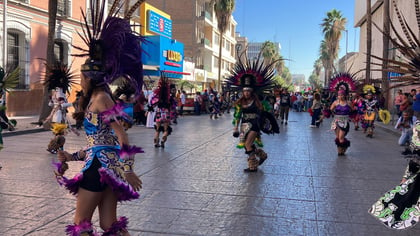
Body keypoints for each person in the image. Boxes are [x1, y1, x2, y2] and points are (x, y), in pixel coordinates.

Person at [54, 1, 145, 234]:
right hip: (106, 167)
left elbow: (121, 133)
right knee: (108, 225)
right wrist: (71, 155)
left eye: (82, 77)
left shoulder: (101, 99)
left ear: (90, 78)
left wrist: (128, 168)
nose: (80, 82)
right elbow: (99, 143)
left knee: (80, 224)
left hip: (99, 168)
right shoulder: (99, 99)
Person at [225, 52, 280, 173]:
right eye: (244, 91)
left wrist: (267, 119)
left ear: (252, 91)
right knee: (246, 145)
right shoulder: (240, 103)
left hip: (255, 125)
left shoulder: (258, 102)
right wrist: (235, 128)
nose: (246, 93)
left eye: (248, 91)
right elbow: (238, 116)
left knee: (248, 144)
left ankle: (253, 166)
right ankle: (262, 155)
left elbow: (266, 112)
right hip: (244, 125)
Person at [150, 74, 173, 148]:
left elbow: (152, 103)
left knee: (157, 129)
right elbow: (172, 105)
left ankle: (156, 142)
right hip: (166, 112)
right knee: (166, 129)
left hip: (159, 112)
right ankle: (163, 139)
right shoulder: (168, 96)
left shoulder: (157, 95)